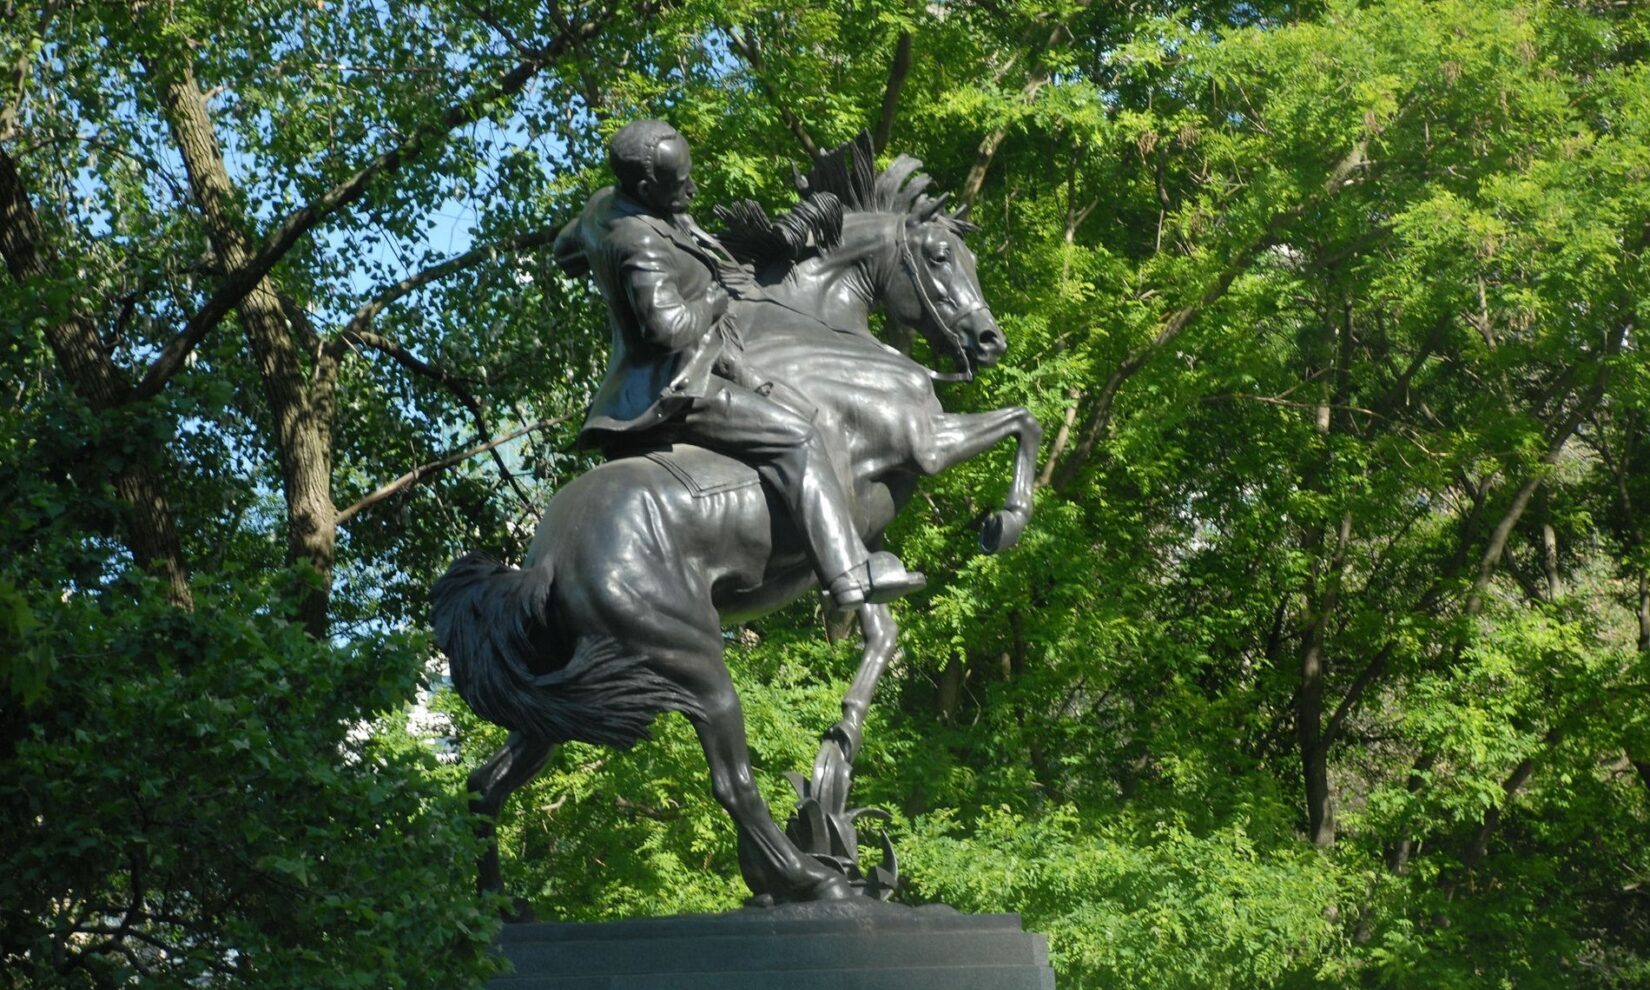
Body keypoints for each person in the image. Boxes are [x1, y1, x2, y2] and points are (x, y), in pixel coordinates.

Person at [553, 119, 923, 609]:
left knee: (791, 397)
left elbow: (565, 250)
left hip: (677, 374)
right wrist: (713, 295)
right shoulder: (638, 242)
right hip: (674, 389)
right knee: (799, 436)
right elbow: (668, 330)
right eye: (679, 183)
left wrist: (596, 256)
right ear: (644, 188)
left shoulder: (604, 206)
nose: (693, 187)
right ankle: (850, 576)